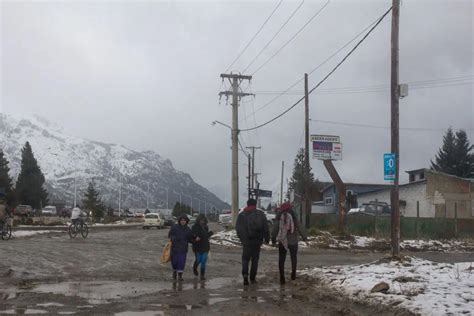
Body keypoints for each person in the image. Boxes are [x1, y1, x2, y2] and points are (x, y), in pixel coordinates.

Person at [271, 201, 307, 284]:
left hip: (282, 240)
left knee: (281, 259)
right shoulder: (294, 216)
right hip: (293, 240)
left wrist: (273, 239)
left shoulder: (279, 216)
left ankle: (282, 277)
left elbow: (275, 229)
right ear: (290, 208)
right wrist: (304, 237)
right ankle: (293, 274)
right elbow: (299, 226)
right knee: (293, 258)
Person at [235, 198, 269, 286]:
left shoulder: (242, 215)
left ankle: (245, 276)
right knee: (255, 260)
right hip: (257, 241)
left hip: (246, 241)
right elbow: (266, 227)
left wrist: (242, 238)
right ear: (255, 204)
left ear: (247, 204)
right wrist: (267, 239)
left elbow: (238, 228)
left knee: (245, 259)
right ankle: (253, 278)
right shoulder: (260, 214)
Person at [168, 214, 193, 281]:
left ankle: (180, 276)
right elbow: (170, 235)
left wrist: (195, 240)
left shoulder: (188, 230)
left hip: (183, 249)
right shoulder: (174, 227)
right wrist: (174, 238)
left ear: (186, 221)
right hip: (174, 248)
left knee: (181, 262)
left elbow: (190, 239)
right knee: (174, 262)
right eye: (182, 220)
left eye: (184, 220)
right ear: (179, 221)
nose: (183, 222)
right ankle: (174, 271)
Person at [191, 214, 214, 281]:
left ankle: (202, 275)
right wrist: (195, 237)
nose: (202, 221)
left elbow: (205, 236)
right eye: (201, 220)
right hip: (197, 246)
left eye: (203, 220)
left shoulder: (206, 227)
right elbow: (192, 235)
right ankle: (195, 268)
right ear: (198, 220)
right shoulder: (194, 227)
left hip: (205, 246)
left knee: (203, 261)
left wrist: (210, 233)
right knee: (198, 260)